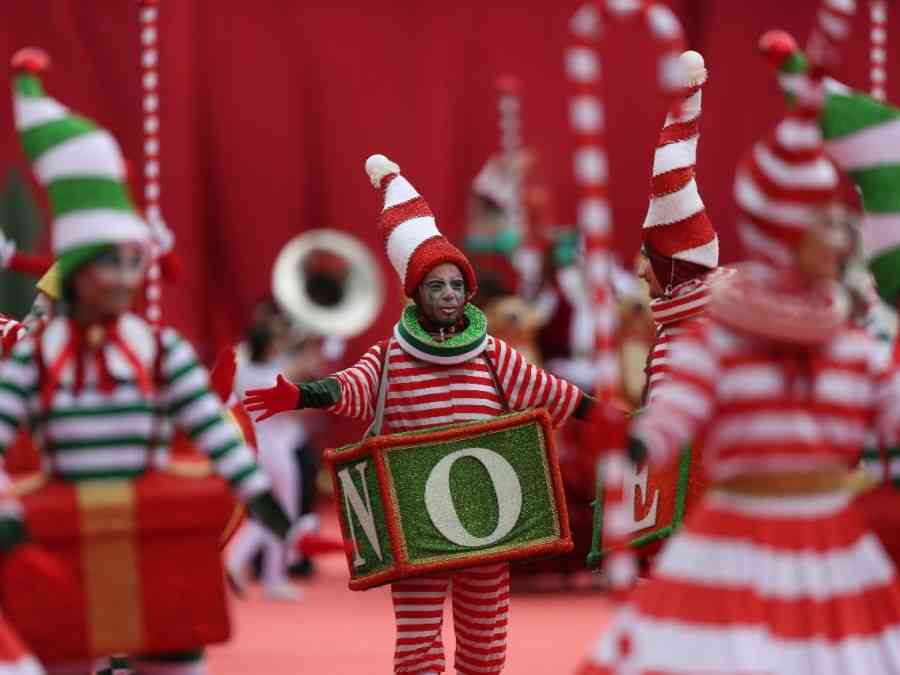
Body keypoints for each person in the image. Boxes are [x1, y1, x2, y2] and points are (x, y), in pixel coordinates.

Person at [577, 45, 900, 675]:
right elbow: (676, 413)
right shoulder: (719, 343)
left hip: (825, 529)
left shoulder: (852, 346)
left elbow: (890, 413)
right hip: (736, 521)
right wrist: (638, 444)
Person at [2, 48, 296, 675]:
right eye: (110, 264)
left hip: (152, 529)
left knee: (174, 656)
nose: (123, 279)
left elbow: (210, 425)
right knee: (66, 655)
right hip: (64, 531)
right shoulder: (34, 358)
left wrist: (257, 494)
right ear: (77, 272)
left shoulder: (160, 351)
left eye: (133, 264)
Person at [245, 154, 595, 675]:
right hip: (414, 522)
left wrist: (613, 417)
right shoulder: (390, 354)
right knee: (417, 643)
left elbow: (550, 392)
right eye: (437, 286)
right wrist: (299, 395)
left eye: (456, 285)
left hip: (488, 522)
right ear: (418, 294)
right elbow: (353, 387)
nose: (449, 294)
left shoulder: (494, 352)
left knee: (486, 642)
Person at [226, 302, 312, 601]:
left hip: (255, 448)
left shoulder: (244, 371)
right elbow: (300, 407)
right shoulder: (275, 378)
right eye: (276, 343)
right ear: (269, 347)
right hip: (277, 451)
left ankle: (237, 561)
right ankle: (273, 578)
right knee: (283, 514)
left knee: (265, 513)